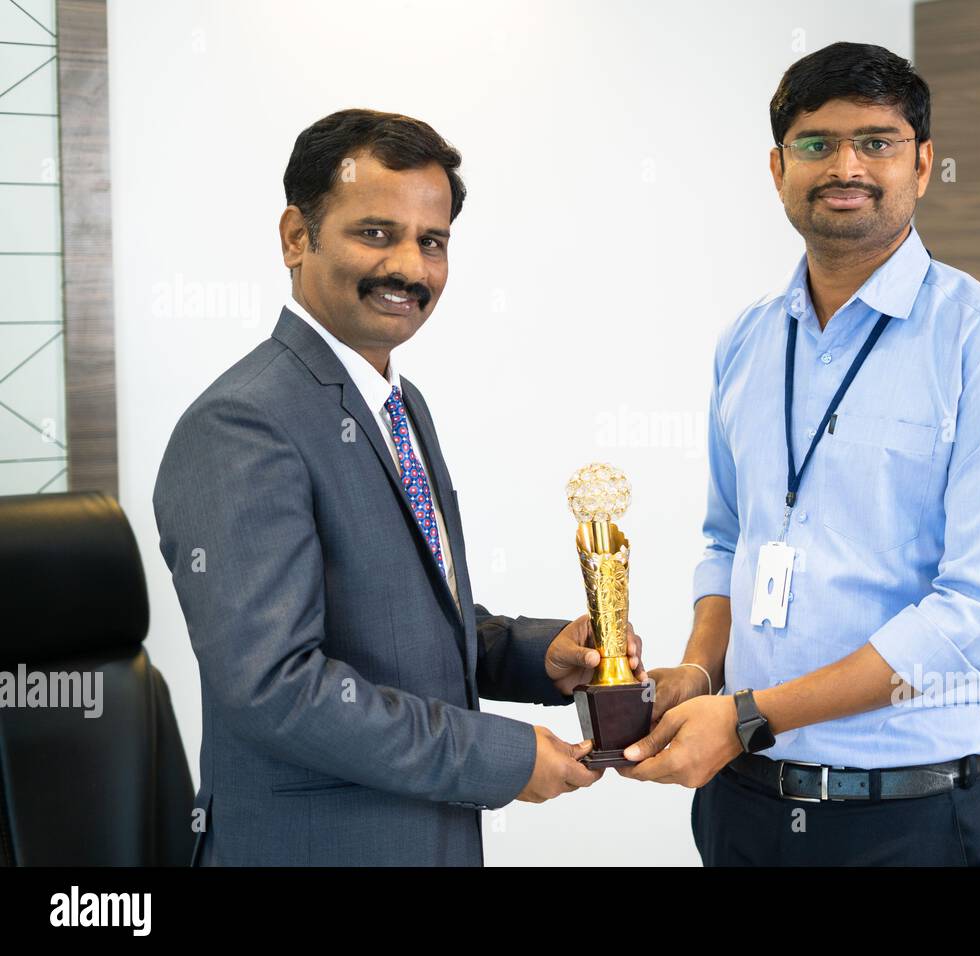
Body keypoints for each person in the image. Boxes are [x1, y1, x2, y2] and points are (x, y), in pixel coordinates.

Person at [153, 109, 641, 866]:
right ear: (295, 237)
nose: (411, 268)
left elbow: (403, 625)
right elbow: (278, 690)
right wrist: (500, 758)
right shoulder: (241, 425)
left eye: (433, 241)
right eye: (376, 234)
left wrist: (537, 654)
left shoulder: (397, 404)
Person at [620, 42, 980, 866]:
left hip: (905, 821)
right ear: (778, 166)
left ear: (924, 163)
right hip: (742, 806)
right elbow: (728, 541)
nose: (845, 165)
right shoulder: (746, 343)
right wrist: (696, 671)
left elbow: (975, 617)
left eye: (877, 141)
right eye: (816, 144)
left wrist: (752, 713)